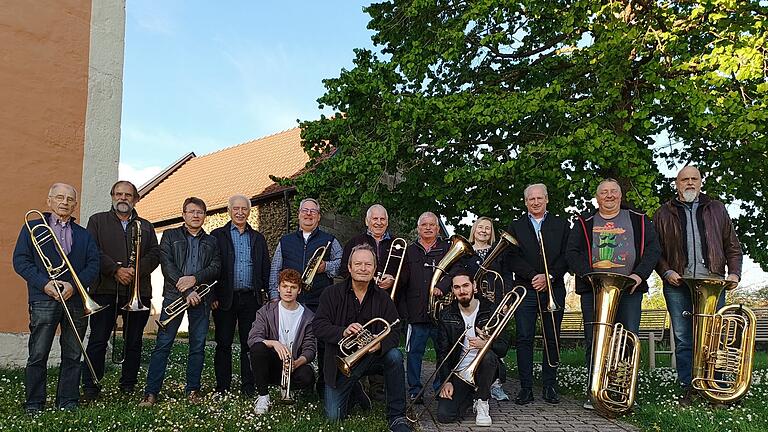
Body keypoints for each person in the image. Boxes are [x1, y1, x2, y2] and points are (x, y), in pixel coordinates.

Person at [566, 178, 660, 409]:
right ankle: (594, 391)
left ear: (620, 195)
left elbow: (653, 249)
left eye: (613, 192)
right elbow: (572, 251)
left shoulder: (638, 219)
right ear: (597, 198)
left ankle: (622, 392)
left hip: (630, 288)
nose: (609, 196)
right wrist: (589, 275)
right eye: (604, 192)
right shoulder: (584, 221)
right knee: (595, 341)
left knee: (627, 340)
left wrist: (639, 275)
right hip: (594, 290)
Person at [652, 166, 743, 405]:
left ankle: (719, 387)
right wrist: (666, 271)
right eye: (685, 179)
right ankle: (689, 387)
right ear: (677, 183)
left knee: (717, 338)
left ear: (701, 182)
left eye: (694, 178)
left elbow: (732, 245)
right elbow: (655, 251)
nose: (690, 183)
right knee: (683, 338)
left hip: (711, 282)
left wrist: (734, 273)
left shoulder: (717, 208)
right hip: (678, 283)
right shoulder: (663, 213)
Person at [13, 183, 100, 413]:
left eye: (70, 199)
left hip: (75, 300)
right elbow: (21, 261)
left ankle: (68, 401)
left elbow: (94, 265)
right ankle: (34, 403)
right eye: (59, 197)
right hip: (44, 298)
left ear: (75, 204)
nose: (65, 202)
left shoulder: (84, 234)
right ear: (49, 200)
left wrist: (73, 285)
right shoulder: (33, 227)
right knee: (38, 353)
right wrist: (44, 283)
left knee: (73, 354)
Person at [313, 244, 411, 432]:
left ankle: (397, 416)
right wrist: (343, 331)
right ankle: (356, 391)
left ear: (375, 269)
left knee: (395, 357)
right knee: (334, 417)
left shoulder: (383, 298)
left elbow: (395, 329)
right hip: (340, 363)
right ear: (349, 267)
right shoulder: (331, 294)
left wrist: (379, 344)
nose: (363, 268)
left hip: (372, 358)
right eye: (358, 264)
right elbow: (318, 326)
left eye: (368, 264)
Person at [81, 180, 161, 401]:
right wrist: (115, 270)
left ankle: (128, 384)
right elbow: (92, 251)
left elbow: (155, 254)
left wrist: (134, 271)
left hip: (139, 291)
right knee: (98, 339)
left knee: (133, 341)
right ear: (112, 196)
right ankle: (90, 386)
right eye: (118, 194)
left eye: (128, 195)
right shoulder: (97, 221)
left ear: (136, 199)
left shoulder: (146, 225)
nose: (123, 198)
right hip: (104, 289)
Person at [139, 197, 221, 406]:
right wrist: (187, 291)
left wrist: (195, 280)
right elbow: (167, 266)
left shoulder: (212, 241)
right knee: (163, 345)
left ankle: (193, 390)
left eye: (200, 212)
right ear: (183, 214)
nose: (195, 215)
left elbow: (216, 268)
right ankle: (151, 392)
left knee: (198, 346)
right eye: (191, 211)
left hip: (200, 299)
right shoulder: (169, 235)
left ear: (204, 216)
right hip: (175, 297)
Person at [269, 197, 342, 397]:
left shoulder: (330, 240)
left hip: (320, 300)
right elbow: (275, 268)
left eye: (313, 211)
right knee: (292, 341)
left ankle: (324, 386)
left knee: (323, 345)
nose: (308, 214)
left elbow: (343, 264)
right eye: (305, 211)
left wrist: (326, 266)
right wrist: (275, 298)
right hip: (292, 302)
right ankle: (293, 382)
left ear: (318, 217)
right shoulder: (285, 241)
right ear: (299, 215)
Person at [506, 184, 569, 405]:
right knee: (524, 338)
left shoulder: (561, 224)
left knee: (552, 337)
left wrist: (549, 276)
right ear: (525, 202)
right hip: (526, 288)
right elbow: (511, 257)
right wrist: (534, 275)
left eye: (539, 198)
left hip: (554, 287)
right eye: (531, 199)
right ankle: (526, 388)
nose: (535, 202)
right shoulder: (515, 226)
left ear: (547, 199)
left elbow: (567, 255)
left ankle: (550, 386)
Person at [210, 194, 271, 397]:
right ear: (229, 211)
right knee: (223, 343)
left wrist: (267, 296)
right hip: (225, 297)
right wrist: (212, 296)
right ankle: (223, 387)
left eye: (244, 209)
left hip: (250, 299)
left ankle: (248, 386)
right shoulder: (217, 235)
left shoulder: (258, 238)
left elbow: (265, 268)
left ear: (249, 211)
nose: (240, 212)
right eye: (236, 208)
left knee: (250, 344)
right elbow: (212, 268)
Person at [435, 269, 509, 426]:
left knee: (487, 356)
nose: (462, 291)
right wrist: (446, 381)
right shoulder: (446, 315)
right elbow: (442, 352)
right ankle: (472, 396)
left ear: (474, 286)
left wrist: (486, 344)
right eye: (457, 287)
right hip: (460, 372)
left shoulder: (491, 309)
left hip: (486, 367)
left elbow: (503, 347)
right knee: (445, 416)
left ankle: (482, 401)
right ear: (453, 290)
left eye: (466, 285)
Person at [339, 203, 395, 401]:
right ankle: (356, 384)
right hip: (358, 296)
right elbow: (344, 270)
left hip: (385, 300)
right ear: (367, 221)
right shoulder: (355, 241)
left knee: (380, 337)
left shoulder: (396, 243)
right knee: (357, 336)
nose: (378, 222)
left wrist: (393, 280)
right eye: (375, 219)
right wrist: (365, 277)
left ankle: (379, 388)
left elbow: (405, 272)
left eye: (382, 219)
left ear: (387, 222)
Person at [396, 211, 449, 402]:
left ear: (437, 228)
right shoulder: (409, 251)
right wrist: (404, 312)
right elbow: (401, 283)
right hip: (415, 312)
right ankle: (415, 389)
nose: (428, 228)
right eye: (424, 225)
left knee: (443, 352)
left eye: (432, 225)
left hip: (441, 312)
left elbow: (456, 271)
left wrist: (442, 287)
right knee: (413, 353)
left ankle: (440, 387)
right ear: (418, 228)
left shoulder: (446, 248)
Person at [248, 268, 316, 414]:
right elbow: (253, 339)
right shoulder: (266, 311)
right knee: (258, 348)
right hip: (271, 363)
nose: (288, 291)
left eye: (293, 287)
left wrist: (297, 363)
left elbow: (310, 349)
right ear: (278, 288)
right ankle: (263, 396)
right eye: (285, 286)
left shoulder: (309, 316)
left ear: (299, 290)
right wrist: (274, 343)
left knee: (307, 374)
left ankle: (287, 388)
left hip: (293, 364)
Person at [466, 216, 510, 401]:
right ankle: (473, 378)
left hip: (497, 303)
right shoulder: (466, 253)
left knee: (495, 340)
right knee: (477, 338)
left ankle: (496, 383)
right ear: (474, 230)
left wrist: (506, 299)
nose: (484, 231)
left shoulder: (498, 252)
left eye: (488, 228)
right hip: (474, 304)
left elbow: (506, 276)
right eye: (480, 227)